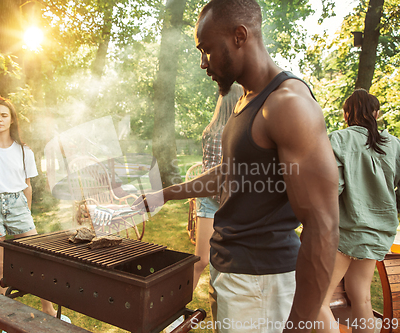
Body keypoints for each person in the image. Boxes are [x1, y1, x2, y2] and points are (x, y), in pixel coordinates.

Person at [133, 0, 340, 332]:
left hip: (260, 282)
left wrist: (298, 326)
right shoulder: (246, 101)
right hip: (236, 273)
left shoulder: (287, 105)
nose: (202, 63)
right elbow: (231, 173)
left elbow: (323, 226)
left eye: (207, 50)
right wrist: (163, 195)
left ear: (240, 36)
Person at [0, 90, 70, 325]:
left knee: (39, 260)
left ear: (11, 119)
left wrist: (26, 213)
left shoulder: (24, 151)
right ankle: (6, 320)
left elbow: (28, 187)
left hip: (17, 204)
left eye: (3, 115)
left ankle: (48, 311)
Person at [316, 89, 400, 333]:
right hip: (378, 232)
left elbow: (334, 187)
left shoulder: (338, 139)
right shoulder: (394, 144)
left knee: (318, 300)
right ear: (376, 114)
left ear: (346, 115)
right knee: (361, 297)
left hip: (345, 232)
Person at [193, 84, 242, 290]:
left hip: (221, 201)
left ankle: (177, 312)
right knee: (202, 260)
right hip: (214, 201)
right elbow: (216, 176)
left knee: (216, 262)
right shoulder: (221, 133)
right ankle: (175, 312)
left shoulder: (218, 129)